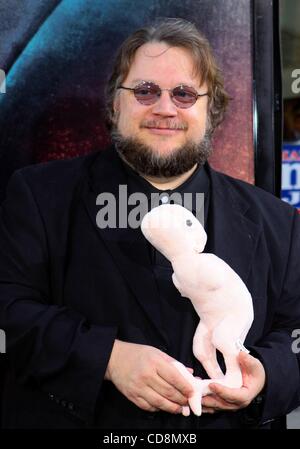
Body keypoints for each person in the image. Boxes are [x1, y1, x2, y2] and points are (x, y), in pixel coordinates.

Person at [0, 18, 300, 430]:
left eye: (184, 94)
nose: (164, 108)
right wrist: (108, 358)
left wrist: (265, 374)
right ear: (114, 104)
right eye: (144, 91)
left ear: (211, 110)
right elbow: (11, 311)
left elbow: (296, 335)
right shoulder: (38, 196)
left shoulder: (279, 222)